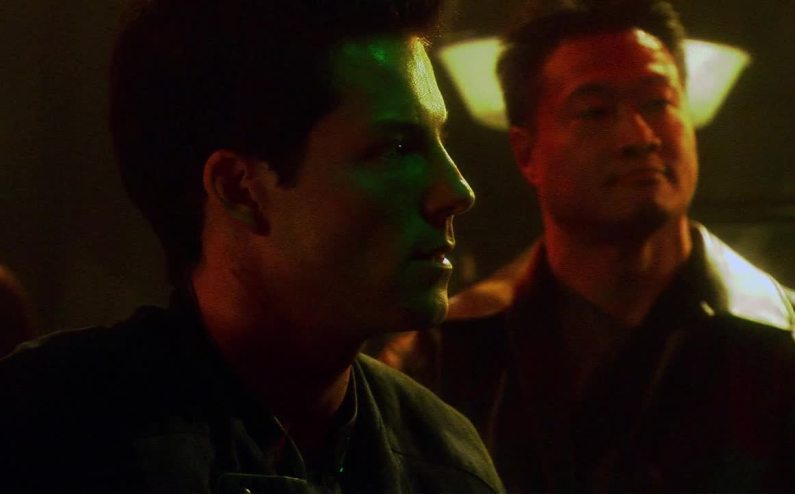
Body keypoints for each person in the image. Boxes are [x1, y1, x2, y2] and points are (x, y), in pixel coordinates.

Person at [0, 1, 504, 492]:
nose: (457, 191)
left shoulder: (446, 462)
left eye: (439, 141)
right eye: (396, 148)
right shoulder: (48, 433)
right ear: (239, 188)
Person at [379, 0, 795, 491]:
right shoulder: (446, 354)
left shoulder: (785, 340)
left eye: (658, 102)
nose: (638, 136)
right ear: (526, 152)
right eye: (595, 111)